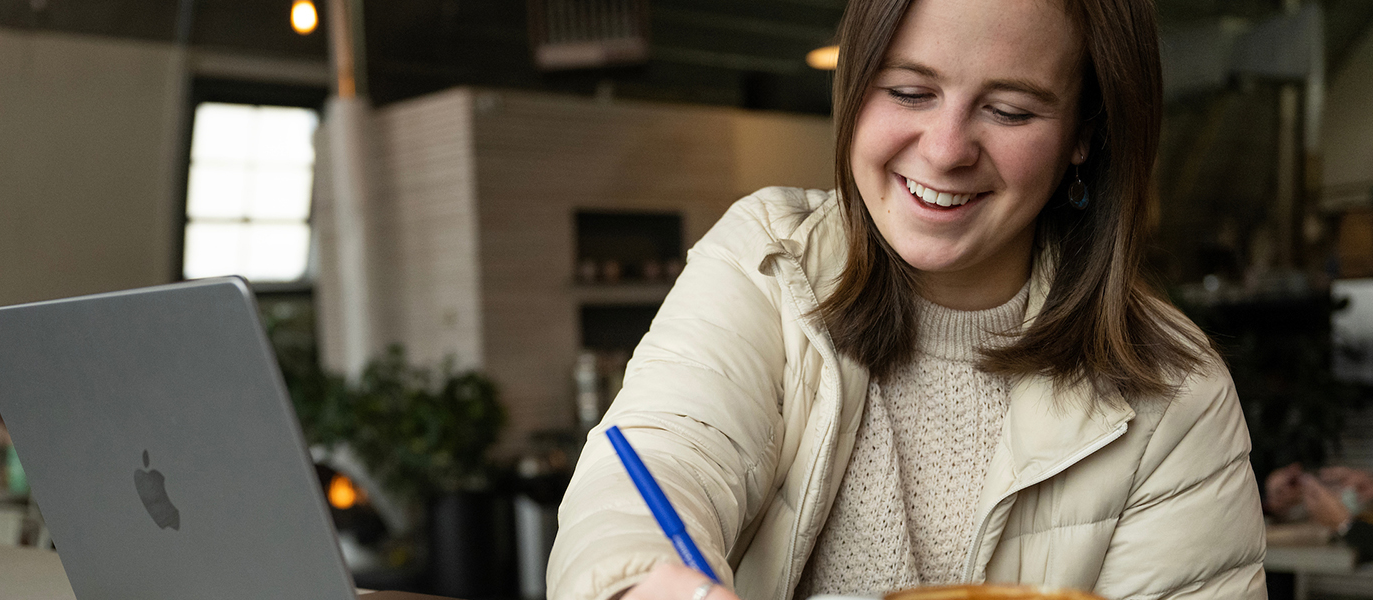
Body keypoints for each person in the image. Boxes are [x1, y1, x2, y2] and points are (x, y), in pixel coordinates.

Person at [547, 0, 1266, 599]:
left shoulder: (1176, 393)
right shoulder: (766, 261)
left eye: (1011, 110)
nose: (947, 148)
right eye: (909, 92)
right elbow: (661, 461)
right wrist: (643, 582)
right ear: (854, 90)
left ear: (1086, 135)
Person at [1265, 464, 1373, 562]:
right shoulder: (1309, 524)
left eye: (1292, 482)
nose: (1287, 489)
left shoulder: (1334, 484)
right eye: (1280, 492)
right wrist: (1342, 523)